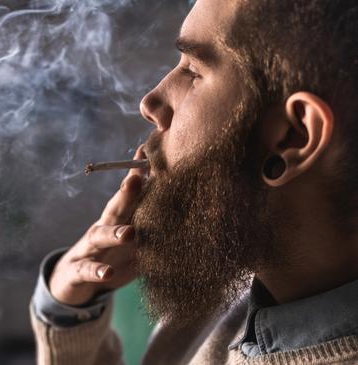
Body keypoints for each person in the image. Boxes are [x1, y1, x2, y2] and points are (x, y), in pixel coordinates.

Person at [29, 0, 358, 364]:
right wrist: (68, 314)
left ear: (293, 136)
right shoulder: (220, 305)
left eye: (194, 70)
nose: (150, 102)